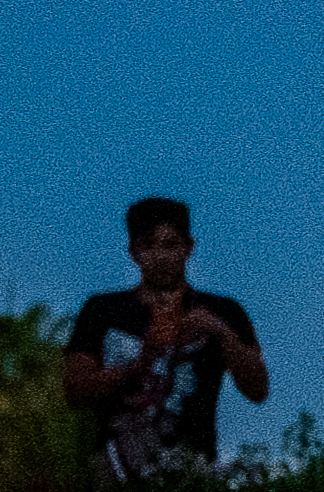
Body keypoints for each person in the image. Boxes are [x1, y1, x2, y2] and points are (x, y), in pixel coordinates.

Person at [62, 195, 269, 477]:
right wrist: (143, 359)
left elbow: (257, 389)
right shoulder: (102, 310)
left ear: (188, 247)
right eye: (148, 245)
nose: (159, 256)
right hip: (116, 475)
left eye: (170, 244)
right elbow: (75, 390)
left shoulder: (223, 311)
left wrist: (220, 332)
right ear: (133, 251)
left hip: (193, 475)